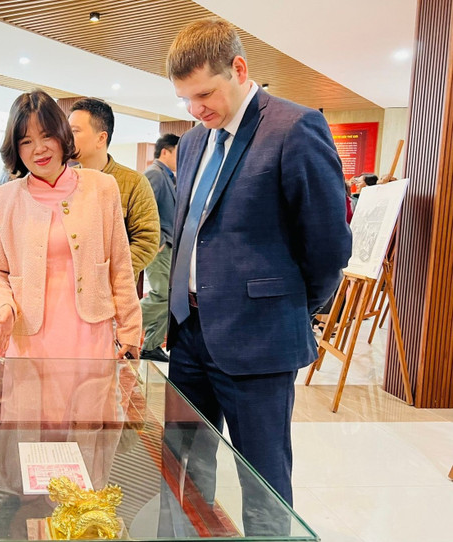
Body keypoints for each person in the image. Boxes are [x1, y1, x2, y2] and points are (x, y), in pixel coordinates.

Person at [165, 18, 351, 529]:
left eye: (204, 93)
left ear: (239, 69)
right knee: (181, 469)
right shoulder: (193, 144)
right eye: (185, 100)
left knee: (263, 481)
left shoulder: (294, 128)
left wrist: (290, 308)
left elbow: (329, 245)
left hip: (258, 343)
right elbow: (190, 233)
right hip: (188, 334)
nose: (195, 110)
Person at [0, 89, 141, 360]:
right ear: (15, 148)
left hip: (90, 334)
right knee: (30, 402)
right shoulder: (1, 199)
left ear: (62, 135)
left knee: (89, 401)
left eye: (46, 136)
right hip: (29, 336)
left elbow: (121, 266)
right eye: (26, 141)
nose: (39, 149)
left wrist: (130, 328)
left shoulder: (102, 187)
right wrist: (3, 304)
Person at [68, 97, 160, 279]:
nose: (67, 138)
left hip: (111, 294)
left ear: (101, 138)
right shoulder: (65, 179)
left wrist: (107, 274)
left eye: (75, 131)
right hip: (67, 289)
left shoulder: (133, 183)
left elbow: (147, 241)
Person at [140, 133, 180, 363]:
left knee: (168, 296)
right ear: (165, 151)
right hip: (160, 246)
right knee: (162, 295)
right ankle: (121, 328)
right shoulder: (154, 174)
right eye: (178, 152)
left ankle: (152, 345)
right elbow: (145, 210)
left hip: (169, 246)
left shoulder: (168, 176)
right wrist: (155, 241)